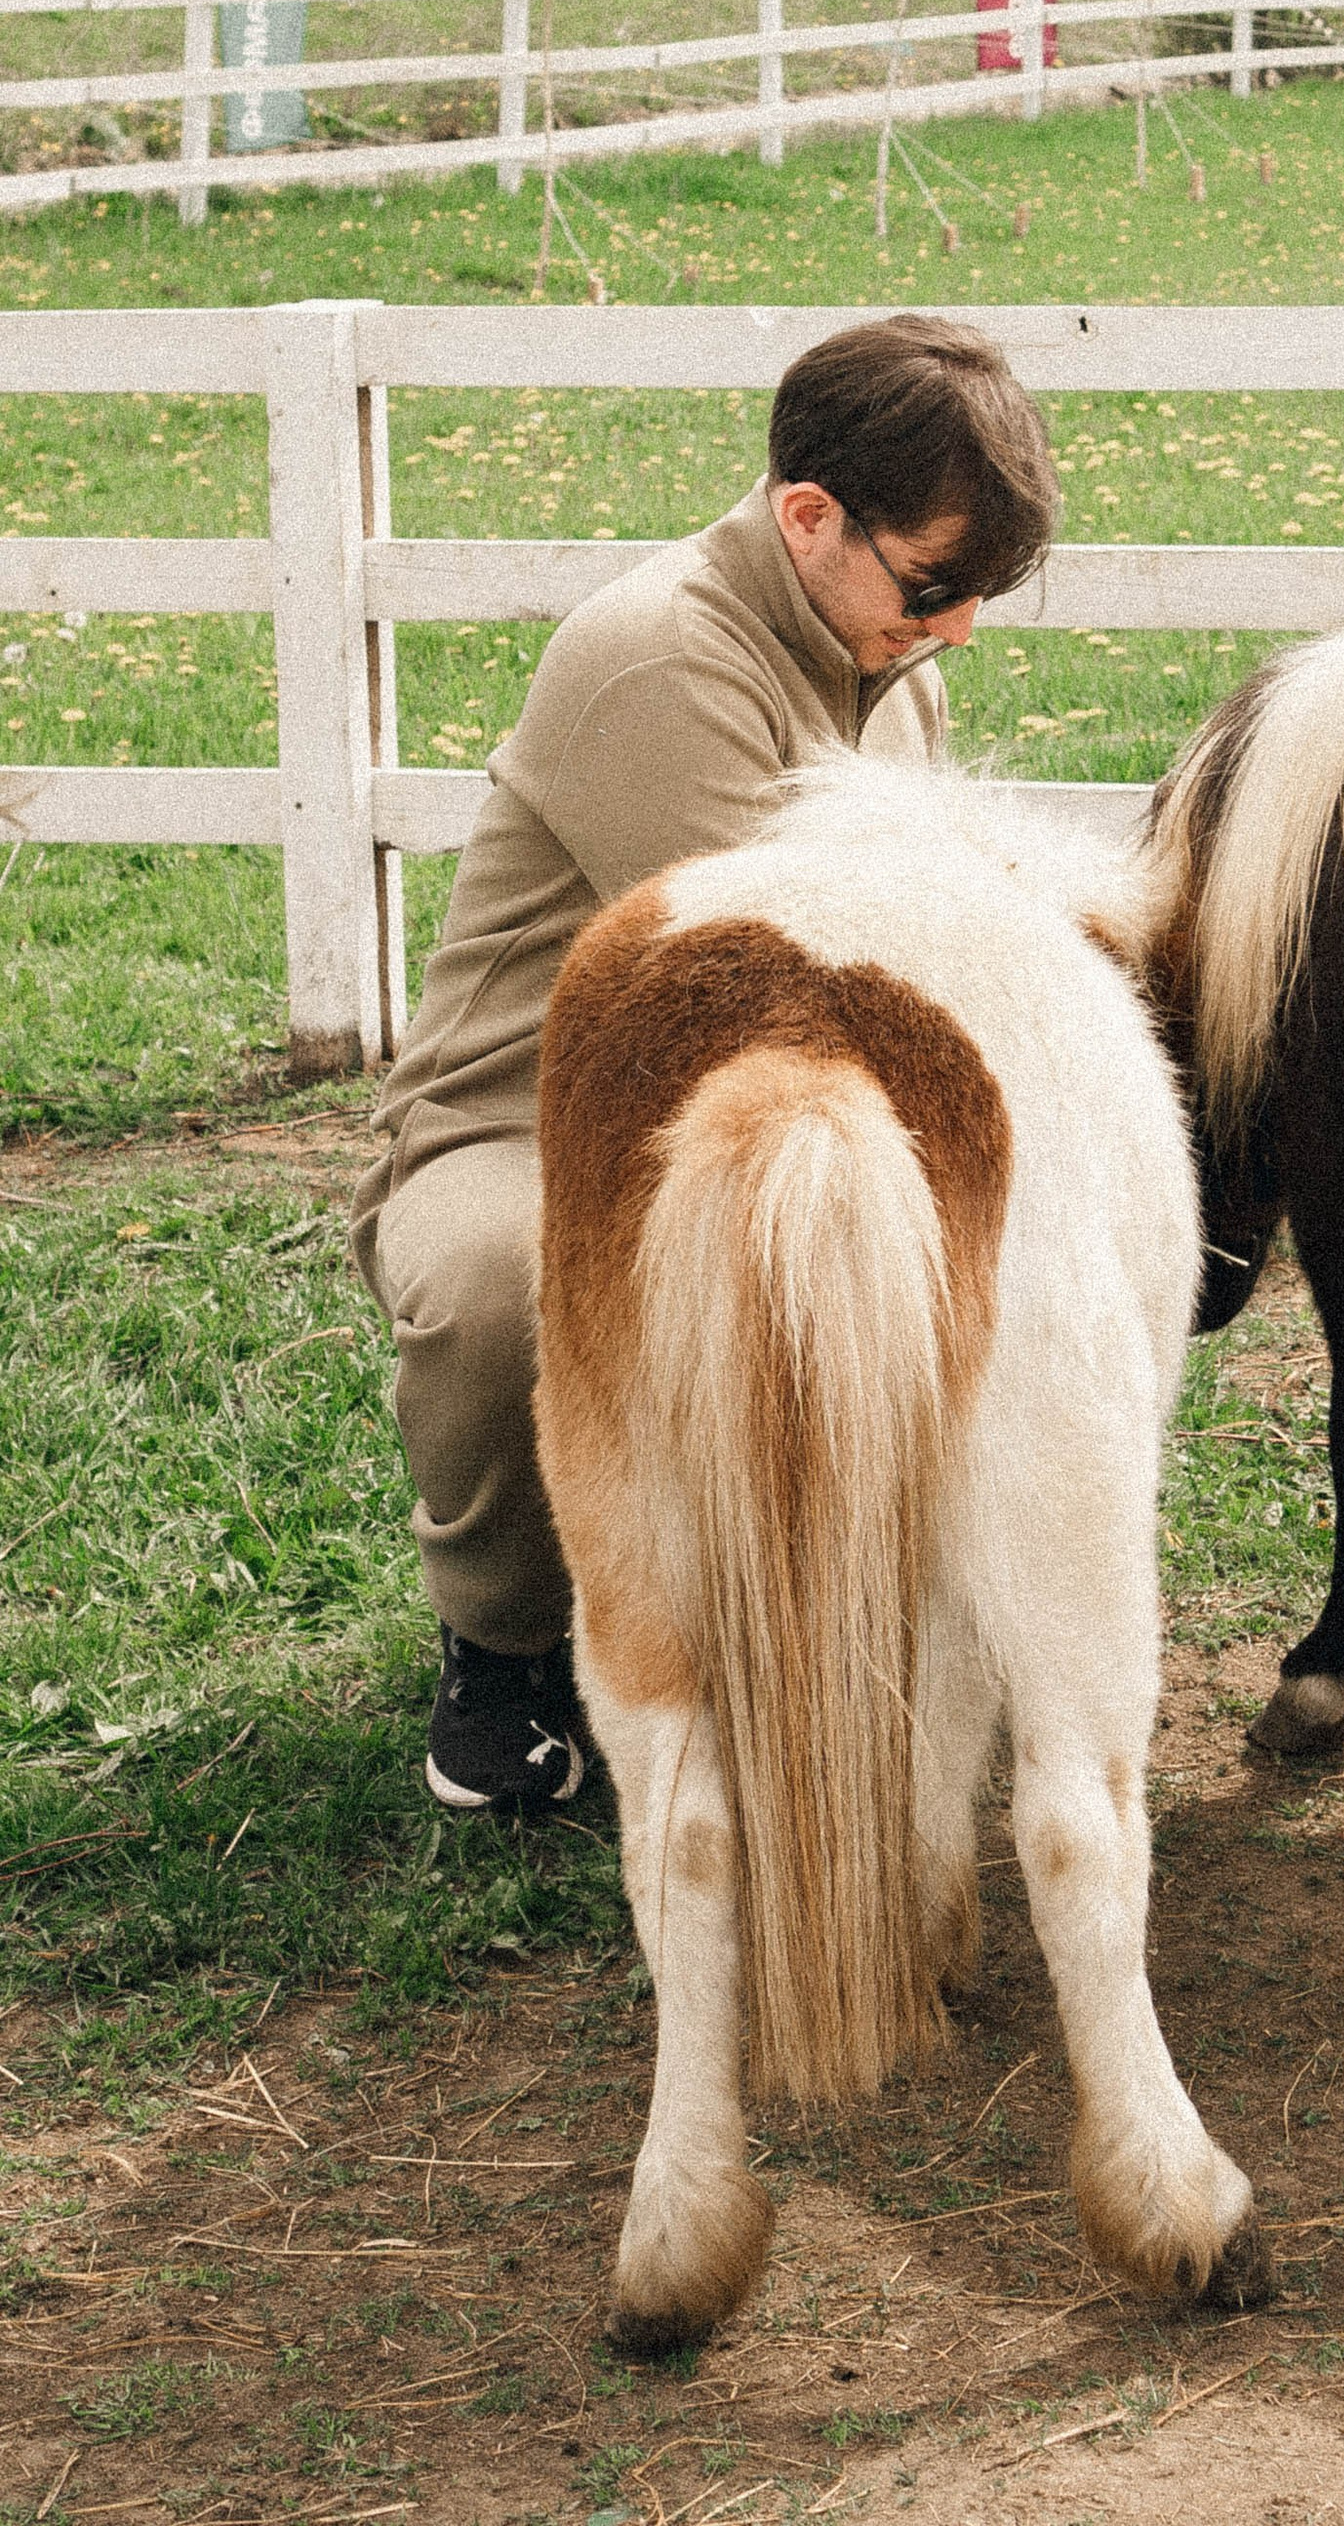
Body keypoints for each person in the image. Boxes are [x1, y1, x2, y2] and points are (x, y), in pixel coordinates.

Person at [349, 314, 1058, 1815]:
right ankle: (504, 1651)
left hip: (756, 1096)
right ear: (810, 518)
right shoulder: (661, 656)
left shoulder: (880, 649)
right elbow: (807, 970)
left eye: (982, 591)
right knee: (500, 1285)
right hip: (529, 1120)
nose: (961, 629)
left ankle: (814, 1616)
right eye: (938, 583)